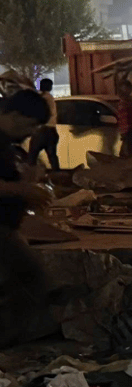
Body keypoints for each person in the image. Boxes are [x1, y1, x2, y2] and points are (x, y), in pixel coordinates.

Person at [0, 89, 54, 348]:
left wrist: (27, 181)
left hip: (7, 226)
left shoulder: (7, 144)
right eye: (30, 125)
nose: (31, 133)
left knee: (24, 279)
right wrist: (22, 190)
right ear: (14, 115)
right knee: (30, 278)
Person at [27, 78, 60, 171]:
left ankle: (31, 175)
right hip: (52, 130)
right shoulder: (50, 97)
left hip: (42, 130)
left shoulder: (42, 98)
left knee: (32, 156)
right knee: (52, 156)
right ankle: (57, 175)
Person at [116, 79, 132, 158]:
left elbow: (126, 117)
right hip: (128, 130)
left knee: (126, 154)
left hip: (129, 130)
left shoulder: (127, 102)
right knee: (125, 153)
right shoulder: (126, 101)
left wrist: (125, 131)